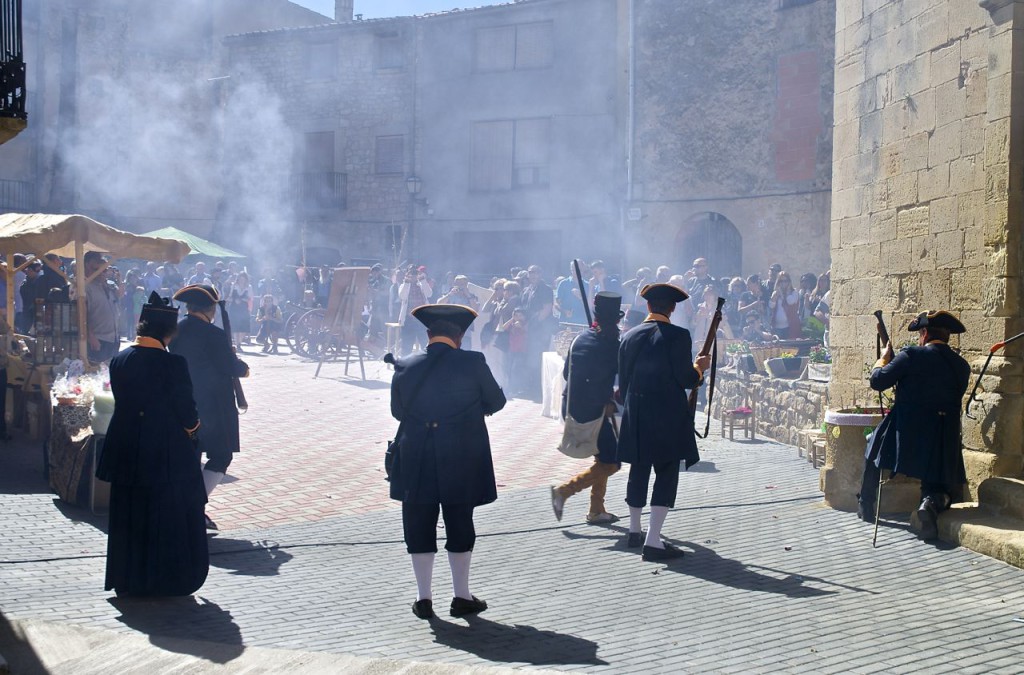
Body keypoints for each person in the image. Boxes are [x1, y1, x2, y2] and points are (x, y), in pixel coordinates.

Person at [389, 304, 506, 620]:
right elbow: (497, 401)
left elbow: (398, 412)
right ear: (461, 335)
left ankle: (423, 599)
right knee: (459, 522)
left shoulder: (406, 365)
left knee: (418, 523)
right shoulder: (472, 362)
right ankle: (461, 596)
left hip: (416, 456)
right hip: (461, 455)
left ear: (429, 335)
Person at [96, 292, 207, 597]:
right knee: (161, 516)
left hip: (125, 448)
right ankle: (160, 580)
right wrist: (194, 433)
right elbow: (188, 414)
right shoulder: (173, 364)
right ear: (168, 332)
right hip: (162, 452)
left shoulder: (119, 359)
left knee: (127, 514)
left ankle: (128, 578)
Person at [858, 311, 971, 541]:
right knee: (936, 477)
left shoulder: (911, 355)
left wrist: (883, 360)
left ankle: (866, 504)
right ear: (947, 336)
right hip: (943, 435)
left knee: (874, 446)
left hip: (906, 434)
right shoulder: (962, 365)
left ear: (924, 333)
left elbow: (878, 381)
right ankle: (929, 502)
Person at [618, 283, 711, 561]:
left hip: (636, 412)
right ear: (672, 308)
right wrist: (700, 369)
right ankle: (653, 539)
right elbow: (686, 379)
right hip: (667, 414)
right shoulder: (678, 336)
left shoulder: (629, 335)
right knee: (666, 473)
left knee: (639, 468)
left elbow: (623, 383)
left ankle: (634, 529)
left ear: (648, 306)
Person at [169, 285, 250, 531]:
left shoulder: (176, 330)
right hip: (213, 405)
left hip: (184, 401)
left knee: (193, 458)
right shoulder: (213, 334)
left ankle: (190, 509)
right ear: (210, 308)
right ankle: (193, 507)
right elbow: (230, 367)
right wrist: (243, 367)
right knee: (221, 455)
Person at [550, 292, 623, 524]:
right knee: (612, 462)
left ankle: (596, 510)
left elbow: (566, 374)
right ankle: (564, 492)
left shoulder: (580, 338)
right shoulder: (612, 345)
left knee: (604, 459)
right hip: (592, 411)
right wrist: (608, 402)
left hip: (573, 405)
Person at [83, 251, 120, 363]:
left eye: (104, 270)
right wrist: (91, 336)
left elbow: (120, 295)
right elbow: (82, 315)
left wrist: (119, 278)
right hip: (99, 339)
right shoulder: (85, 288)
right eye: (97, 270)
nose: (101, 273)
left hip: (114, 338)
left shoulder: (109, 285)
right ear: (88, 266)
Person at [768, 271, 801, 339]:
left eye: (785, 281)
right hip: (777, 327)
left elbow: (790, 302)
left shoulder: (794, 292)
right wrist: (774, 296)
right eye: (781, 281)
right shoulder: (776, 293)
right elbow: (771, 306)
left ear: (789, 282)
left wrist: (786, 293)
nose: (783, 283)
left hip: (790, 326)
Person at [228, 272, 253, 349]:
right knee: (235, 327)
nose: (242, 280)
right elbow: (230, 296)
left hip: (243, 308)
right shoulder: (233, 285)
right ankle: (238, 345)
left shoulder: (249, 287)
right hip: (234, 307)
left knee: (243, 328)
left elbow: (250, 298)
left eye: (243, 278)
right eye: (240, 278)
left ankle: (240, 342)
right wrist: (233, 299)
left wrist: (242, 300)